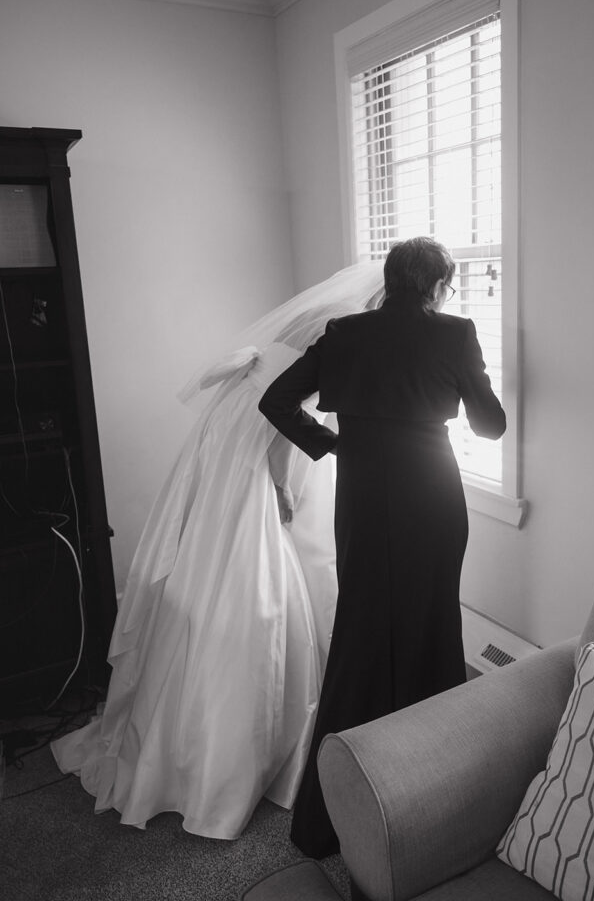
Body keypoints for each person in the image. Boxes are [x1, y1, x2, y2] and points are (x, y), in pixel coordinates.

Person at [51, 262, 384, 840]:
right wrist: (282, 490)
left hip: (216, 469)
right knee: (257, 601)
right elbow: (282, 430)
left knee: (204, 586)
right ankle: (227, 764)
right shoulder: (331, 351)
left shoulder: (282, 344)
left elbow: (246, 416)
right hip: (247, 475)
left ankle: (175, 739)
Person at [258, 236, 506, 859]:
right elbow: (489, 424)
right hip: (431, 493)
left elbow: (275, 400)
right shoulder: (454, 334)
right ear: (438, 284)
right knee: (430, 622)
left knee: (364, 627)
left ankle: (324, 821)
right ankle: (435, 799)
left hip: (364, 493)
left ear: (389, 280)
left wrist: (335, 444)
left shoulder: (344, 333)